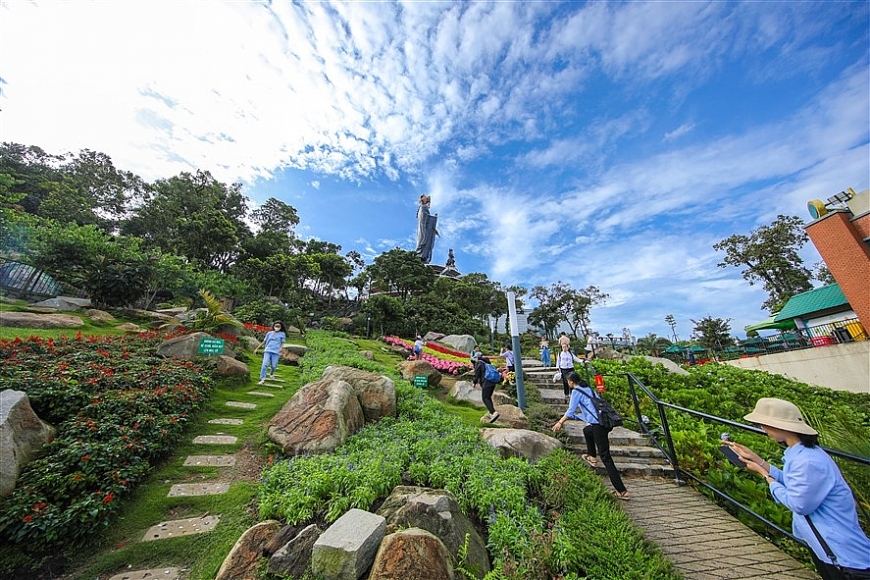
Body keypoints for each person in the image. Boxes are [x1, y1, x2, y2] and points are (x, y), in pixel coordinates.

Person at [724, 398, 870, 579]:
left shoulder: (807, 461)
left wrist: (765, 475)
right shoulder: (802, 454)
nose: (763, 429)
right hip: (828, 549)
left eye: (764, 425)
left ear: (779, 426)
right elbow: (793, 483)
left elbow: (799, 503)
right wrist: (755, 459)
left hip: (843, 555)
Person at [552, 371, 629, 500]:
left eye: (568, 381)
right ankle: (592, 457)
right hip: (602, 423)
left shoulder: (576, 392)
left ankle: (622, 491)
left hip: (598, 426)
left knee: (606, 458)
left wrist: (560, 422)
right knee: (587, 431)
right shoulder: (588, 389)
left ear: (571, 382)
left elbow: (570, 411)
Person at [254, 321, 286, 385]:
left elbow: (282, 343)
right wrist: (257, 348)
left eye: (278, 326)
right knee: (265, 364)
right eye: (276, 326)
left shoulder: (282, 334)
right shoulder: (269, 333)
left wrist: (281, 349)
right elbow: (264, 342)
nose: (277, 327)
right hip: (268, 351)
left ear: (281, 327)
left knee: (274, 366)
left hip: (276, 352)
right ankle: (262, 379)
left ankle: (271, 374)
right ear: (273, 326)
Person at [471, 352, 500, 423]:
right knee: (488, 397)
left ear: (477, 357)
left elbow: (477, 374)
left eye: (475, 358)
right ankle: (491, 413)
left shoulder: (479, 363)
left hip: (486, 383)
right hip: (492, 382)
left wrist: (474, 382)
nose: (474, 360)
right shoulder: (487, 363)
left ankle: (493, 412)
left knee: (485, 398)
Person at [415, 194, 439, 264]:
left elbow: (429, 221)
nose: (429, 205)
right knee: (423, 241)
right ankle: (420, 255)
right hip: (424, 230)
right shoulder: (422, 208)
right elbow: (423, 219)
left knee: (428, 243)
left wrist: (433, 226)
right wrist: (433, 219)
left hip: (428, 230)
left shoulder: (425, 210)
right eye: (428, 203)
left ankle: (425, 257)